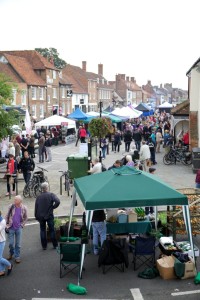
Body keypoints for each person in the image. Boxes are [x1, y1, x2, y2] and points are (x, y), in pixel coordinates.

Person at [34, 182, 60, 250]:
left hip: (40, 216)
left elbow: (36, 207)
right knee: (52, 230)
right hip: (49, 215)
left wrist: (36, 216)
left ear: (42, 189)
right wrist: (53, 207)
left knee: (42, 230)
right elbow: (57, 201)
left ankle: (44, 246)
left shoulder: (38, 197)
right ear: (47, 188)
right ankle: (55, 245)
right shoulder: (51, 195)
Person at [6, 195, 28, 263]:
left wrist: (22, 225)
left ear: (20, 201)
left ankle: (17, 256)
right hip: (11, 228)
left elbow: (26, 218)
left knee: (18, 244)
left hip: (18, 228)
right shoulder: (11, 206)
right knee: (10, 244)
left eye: (16, 200)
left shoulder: (24, 208)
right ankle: (11, 252)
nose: (14, 201)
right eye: (14, 199)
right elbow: (7, 215)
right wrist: (6, 225)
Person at [0, 211, 13, 276]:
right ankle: (2, 271)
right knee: (0, 257)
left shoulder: (2, 222)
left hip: (1, 241)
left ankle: (9, 265)